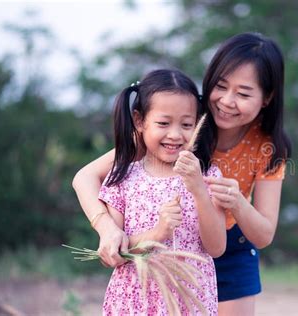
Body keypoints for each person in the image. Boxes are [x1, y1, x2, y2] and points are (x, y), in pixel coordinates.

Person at [72, 32, 291, 315]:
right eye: (221, 86)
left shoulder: (267, 147)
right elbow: (85, 178)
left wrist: (236, 202)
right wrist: (109, 230)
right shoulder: (178, 125)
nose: (226, 100)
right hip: (164, 247)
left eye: (244, 93)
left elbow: (263, 234)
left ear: (267, 98)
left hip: (229, 246)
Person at [93, 68, 226, 315]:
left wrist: (198, 190)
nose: (175, 135)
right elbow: (113, 254)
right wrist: (158, 232)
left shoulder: (208, 176)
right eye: (163, 123)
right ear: (139, 121)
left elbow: (217, 247)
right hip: (135, 301)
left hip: (189, 299)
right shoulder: (123, 178)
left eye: (186, 124)